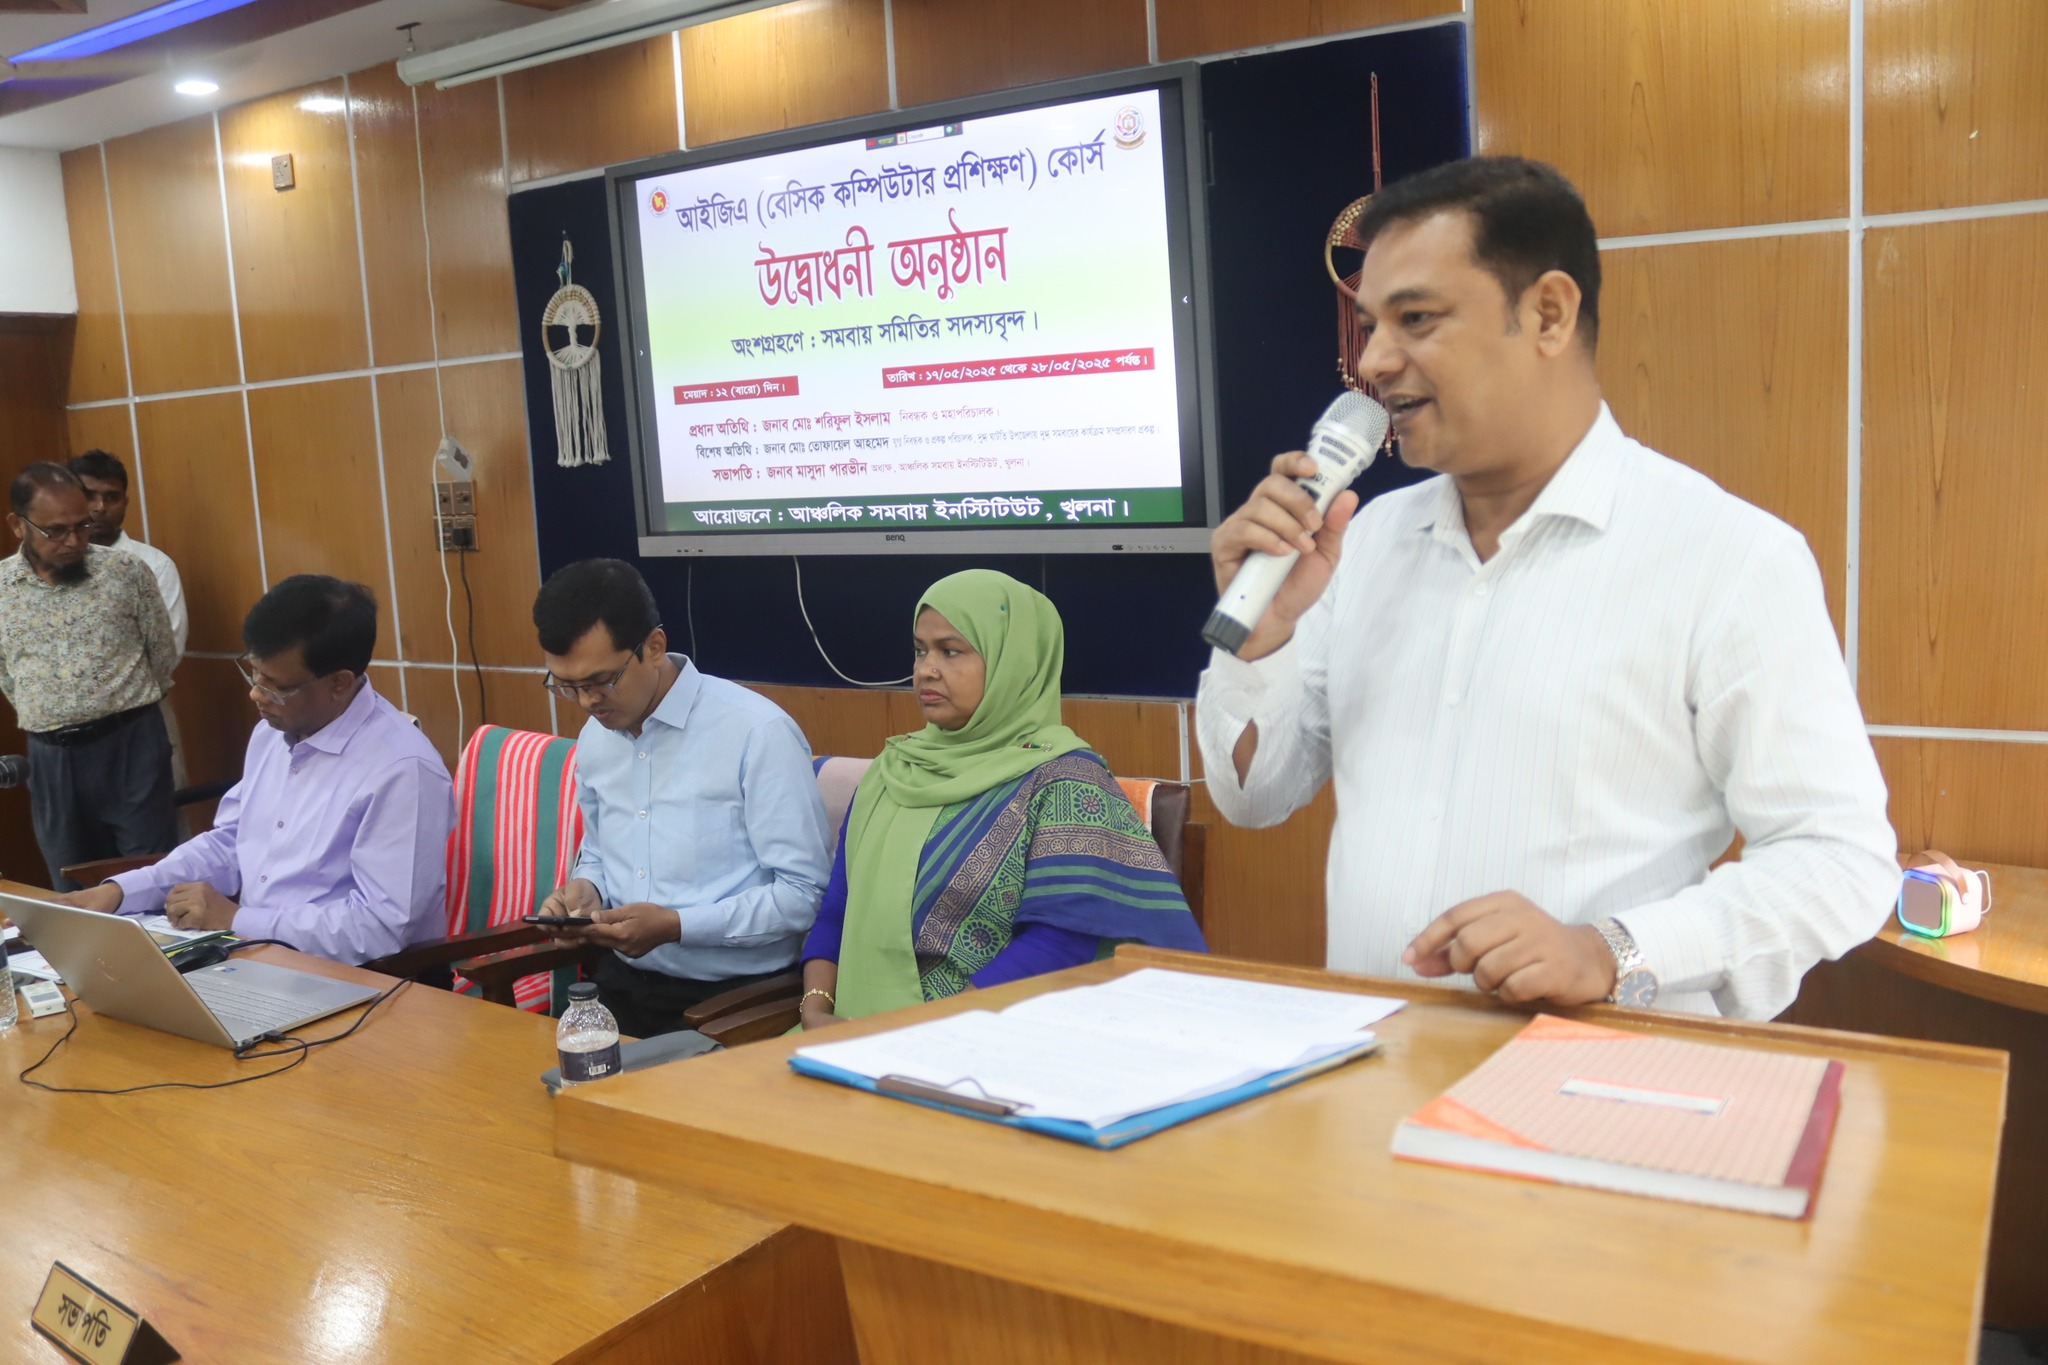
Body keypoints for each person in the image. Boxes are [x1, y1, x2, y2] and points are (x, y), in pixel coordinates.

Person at [1195, 156, 1896, 1020]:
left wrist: (1611, 949)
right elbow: (1254, 799)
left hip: (1596, 1085)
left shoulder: (1729, 555)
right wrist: (1261, 640)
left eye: (1416, 318)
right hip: (1375, 1065)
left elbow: (1839, 858)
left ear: (1549, 314)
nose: (1373, 360)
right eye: (1370, 324)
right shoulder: (1363, 541)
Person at [800, 570, 1205, 1028]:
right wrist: (815, 1009)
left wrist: (926, 1031)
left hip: (985, 1035)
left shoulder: (1066, 783)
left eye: (951, 651)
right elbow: (838, 909)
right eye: (920, 650)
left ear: (1014, 663)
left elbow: (1059, 944)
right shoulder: (893, 771)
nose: (926, 669)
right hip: (841, 1032)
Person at [62, 576, 456, 966]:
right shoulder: (273, 733)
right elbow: (233, 842)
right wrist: (122, 891)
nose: (256, 694)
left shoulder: (403, 771)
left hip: (365, 979)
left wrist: (238, 920)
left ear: (339, 683)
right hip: (255, 954)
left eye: (276, 686)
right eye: (253, 673)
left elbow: (381, 927)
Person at [533, 559, 830, 1040]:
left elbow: (804, 895)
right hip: (623, 982)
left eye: (600, 681)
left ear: (654, 647)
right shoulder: (596, 736)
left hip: (738, 998)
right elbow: (600, 852)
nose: (587, 702)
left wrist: (677, 925)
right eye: (567, 686)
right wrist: (587, 889)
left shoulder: (756, 732)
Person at [0, 462, 179, 890]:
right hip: (51, 759)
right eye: (56, 531)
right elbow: (8, 675)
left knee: (147, 882)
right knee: (71, 888)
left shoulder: (127, 572)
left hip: (131, 746)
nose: (74, 541)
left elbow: (161, 654)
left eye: (81, 526)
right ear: (18, 526)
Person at [69, 450, 188, 661]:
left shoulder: (155, 565)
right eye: (89, 496)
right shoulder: (51, 565)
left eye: (111, 498)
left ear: (125, 503)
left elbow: (168, 650)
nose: (100, 507)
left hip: (138, 683)